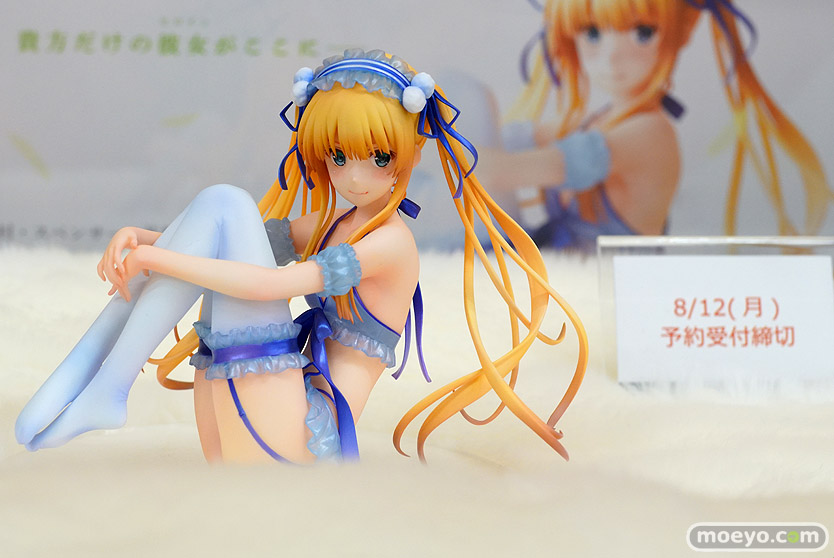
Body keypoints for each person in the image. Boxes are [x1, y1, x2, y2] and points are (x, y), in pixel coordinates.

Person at [15, 49, 588, 464]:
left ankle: (107, 386)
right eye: (338, 156)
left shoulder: (390, 243)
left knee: (227, 202)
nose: (354, 176)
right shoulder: (337, 221)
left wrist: (155, 259)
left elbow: (265, 288)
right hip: (255, 412)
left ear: (410, 154)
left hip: (302, 438)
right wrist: (144, 240)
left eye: (377, 157)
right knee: (221, 205)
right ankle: (94, 376)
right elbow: (226, 240)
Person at [487, 0, 829, 251]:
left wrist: (463, 151)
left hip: (614, 300)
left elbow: (509, 171)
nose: (612, 57)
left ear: (679, 33)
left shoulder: (649, 134)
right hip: (564, 289)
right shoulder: (594, 121)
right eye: (592, 32)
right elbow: (512, 139)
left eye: (642, 33)